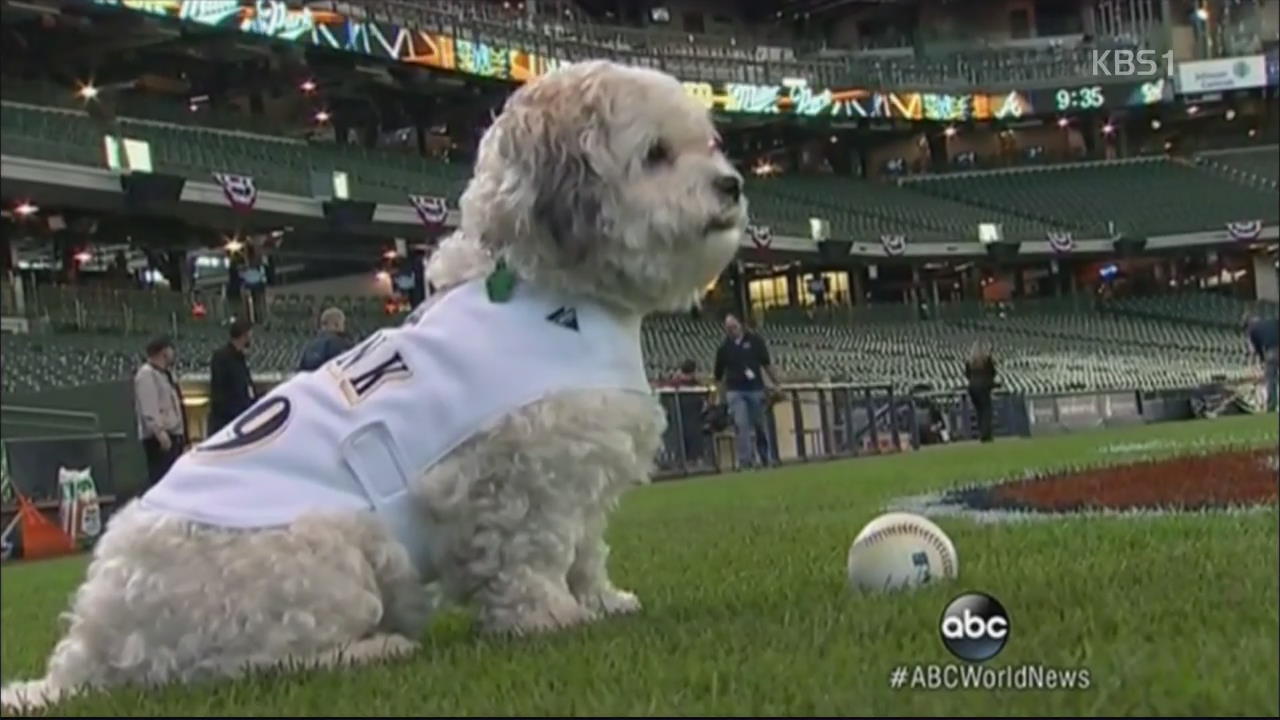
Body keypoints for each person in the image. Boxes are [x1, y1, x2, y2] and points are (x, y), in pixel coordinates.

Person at [713, 313, 780, 469]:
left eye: (733, 327)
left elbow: (766, 364)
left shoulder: (756, 342)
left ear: (741, 325)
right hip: (735, 390)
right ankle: (745, 461)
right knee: (741, 424)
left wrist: (777, 383)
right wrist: (719, 397)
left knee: (760, 425)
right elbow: (718, 375)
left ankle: (765, 457)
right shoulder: (724, 348)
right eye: (728, 329)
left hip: (755, 389)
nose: (731, 331)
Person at [133, 336, 186, 490]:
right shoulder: (146, 374)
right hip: (160, 440)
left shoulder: (165, 374)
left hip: (174, 435)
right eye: (171, 349)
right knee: (163, 482)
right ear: (163, 351)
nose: (173, 353)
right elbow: (149, 407)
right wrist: (160, 432)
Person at [207, 319, 256, 435]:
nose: (252, 338)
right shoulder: (221, 357)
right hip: (228, 422)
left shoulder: (241, 359)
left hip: (241, 418)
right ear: (244, 335)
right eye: (250, 334)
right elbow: (220, 393)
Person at [669, 359, 707, 468]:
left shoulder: (695, 383)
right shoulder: (676, 383)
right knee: (681, 435)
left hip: (693, 414)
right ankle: (682, 461)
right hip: (680, 413)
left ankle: (694, 460)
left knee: (694, 434)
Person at [298, 307, 353, 372]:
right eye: (343, 323)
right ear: (337, 324)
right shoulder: (340, 343)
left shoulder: (309, 345)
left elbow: (301, 369)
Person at [1245, 311, 1279, 412]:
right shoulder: (1272, 321)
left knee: (1271, 380)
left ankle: (1271, 406)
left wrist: (1262, 359)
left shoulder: (1252, 329)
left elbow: (1257, 348)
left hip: (1271, 353)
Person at [965, 340, 998, 443]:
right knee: (986, 411)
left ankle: (982, 433)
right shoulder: (986, 359)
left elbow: (967, 374)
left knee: (979, 411)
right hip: (983, 386)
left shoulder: (970, 361)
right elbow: (993, 372)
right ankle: (986, 434)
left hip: (972, 387)